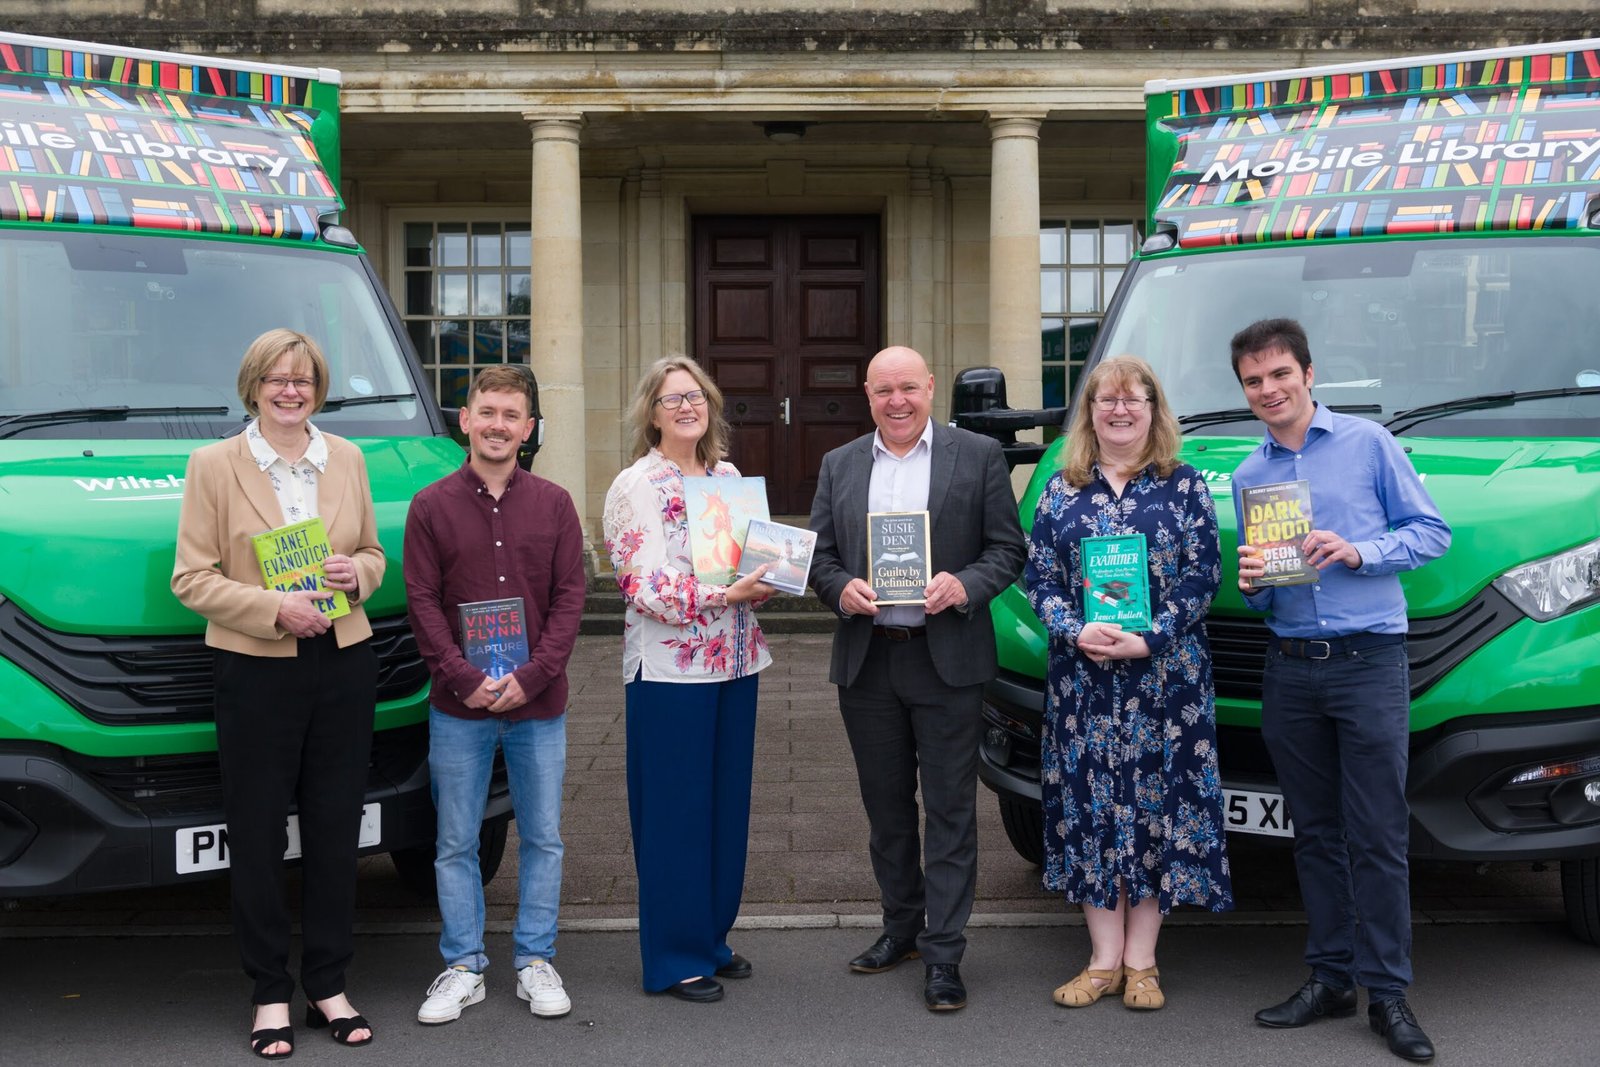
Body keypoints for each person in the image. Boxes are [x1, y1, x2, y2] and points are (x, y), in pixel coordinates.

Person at [1230, 319, 1450, 1064]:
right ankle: (1330, 979)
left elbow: (1431, 532)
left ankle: (1388, 994)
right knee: (1315, 833)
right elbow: (1267, 593)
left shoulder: (1369, 443)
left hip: (1369, 662)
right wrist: (1253, 584)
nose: (1269, 389)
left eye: (1279, 374)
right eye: (1254, 381)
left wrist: (1360, 550)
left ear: (1308, 374)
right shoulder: (1250, 476)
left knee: (1378, 833)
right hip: (1290, 667)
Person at [172, 329, 384, 1058]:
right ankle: (269, 990)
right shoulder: (213, 465)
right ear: (253, 386)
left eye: (303, 379)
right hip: (256, 666)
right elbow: (190, 578)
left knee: (335, 827)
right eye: (277, 379)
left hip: (343, 660)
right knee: (258, 832)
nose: (291, 391)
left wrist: (358, 574)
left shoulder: (347, 458)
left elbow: (373, 553)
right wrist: (274, 609)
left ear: (318, 389)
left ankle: (328, 983)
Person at [808, 345, 1026, 1012]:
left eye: (907, 387)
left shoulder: (978, 456)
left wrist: (965, 584)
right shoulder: (840, 463)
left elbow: (1008, 549)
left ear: (929, 387)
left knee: (951, 810)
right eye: (883, 390)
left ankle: (944, 951)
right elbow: (819, 555)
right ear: (867, 394)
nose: (896, 401)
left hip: (948, 658)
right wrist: (840, 588)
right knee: (886, 809)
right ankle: (900, 927)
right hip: (869, 659)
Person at [1022, 355, 1232, 1012]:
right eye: (1105, 401)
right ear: (1089, 413)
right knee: (1092, 811)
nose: (1118, 410)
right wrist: (1072, 627)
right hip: (1084, 685)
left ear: (1152, 409)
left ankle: (1143, 962)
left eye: (1131, 400)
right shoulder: (1061, 489)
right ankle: (1102, 961)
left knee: (1153, 813)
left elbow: (1204, 575)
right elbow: (1038, 577)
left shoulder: (1185, 485)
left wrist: (1154, 635)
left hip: (1166, 684)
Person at [404, 365, 586, 1025]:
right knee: (454, 841)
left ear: (528, 427)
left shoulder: (556, 504)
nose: (498, 425)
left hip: (539, 705)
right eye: (487, 412)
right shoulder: (430, 506)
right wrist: (464, 677)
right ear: (465, 419)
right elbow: (422, 601)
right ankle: (463, 966)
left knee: (543, 837)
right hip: (460, 706)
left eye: (512, 415)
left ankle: (535, 959)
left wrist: (530, 676)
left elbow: (570, 599)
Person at [601, 355, 775, 1004]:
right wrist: (726, 593)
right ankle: (675, 957)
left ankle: (710, 938)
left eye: (695, 396)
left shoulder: (727, 477)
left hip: (736, 661)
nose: (685, 407)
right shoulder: (636, 485)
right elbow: (642, 585)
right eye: (671, 399)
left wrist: (770, 576)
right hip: (670, 672)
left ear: (711, 406)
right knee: (676, 813)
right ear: (651, 413)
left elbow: (748, 565)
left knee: (725, 811)